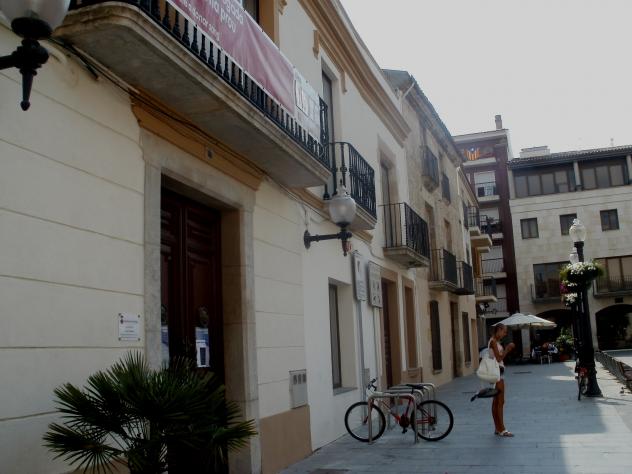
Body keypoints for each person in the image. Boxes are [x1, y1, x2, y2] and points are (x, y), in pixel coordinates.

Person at [489, 323, 515, 437]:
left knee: (496, 402)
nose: (505, 334)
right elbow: (499, 358)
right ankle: (502, 429)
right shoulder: (493, 342)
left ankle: (497, 428)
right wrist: (507, 349)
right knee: (500, 401)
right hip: (497, 373)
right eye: (504, 331)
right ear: (499, 330)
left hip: (497, 372)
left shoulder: (495, 342)